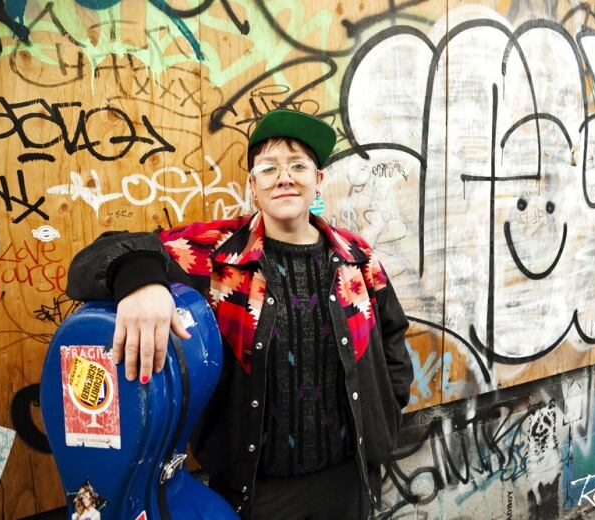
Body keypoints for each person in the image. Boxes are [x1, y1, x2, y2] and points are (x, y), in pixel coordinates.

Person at [66, 109, 414, 519]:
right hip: (257, 492)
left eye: (298, 166)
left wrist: (388, 409)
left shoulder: (355, 256)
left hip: (349, 479)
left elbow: (393, 334)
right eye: (269, 168)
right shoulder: (217, 254)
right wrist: (140, 282)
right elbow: (99, 256)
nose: (284, 177)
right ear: (253, 186)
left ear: (318, 180)